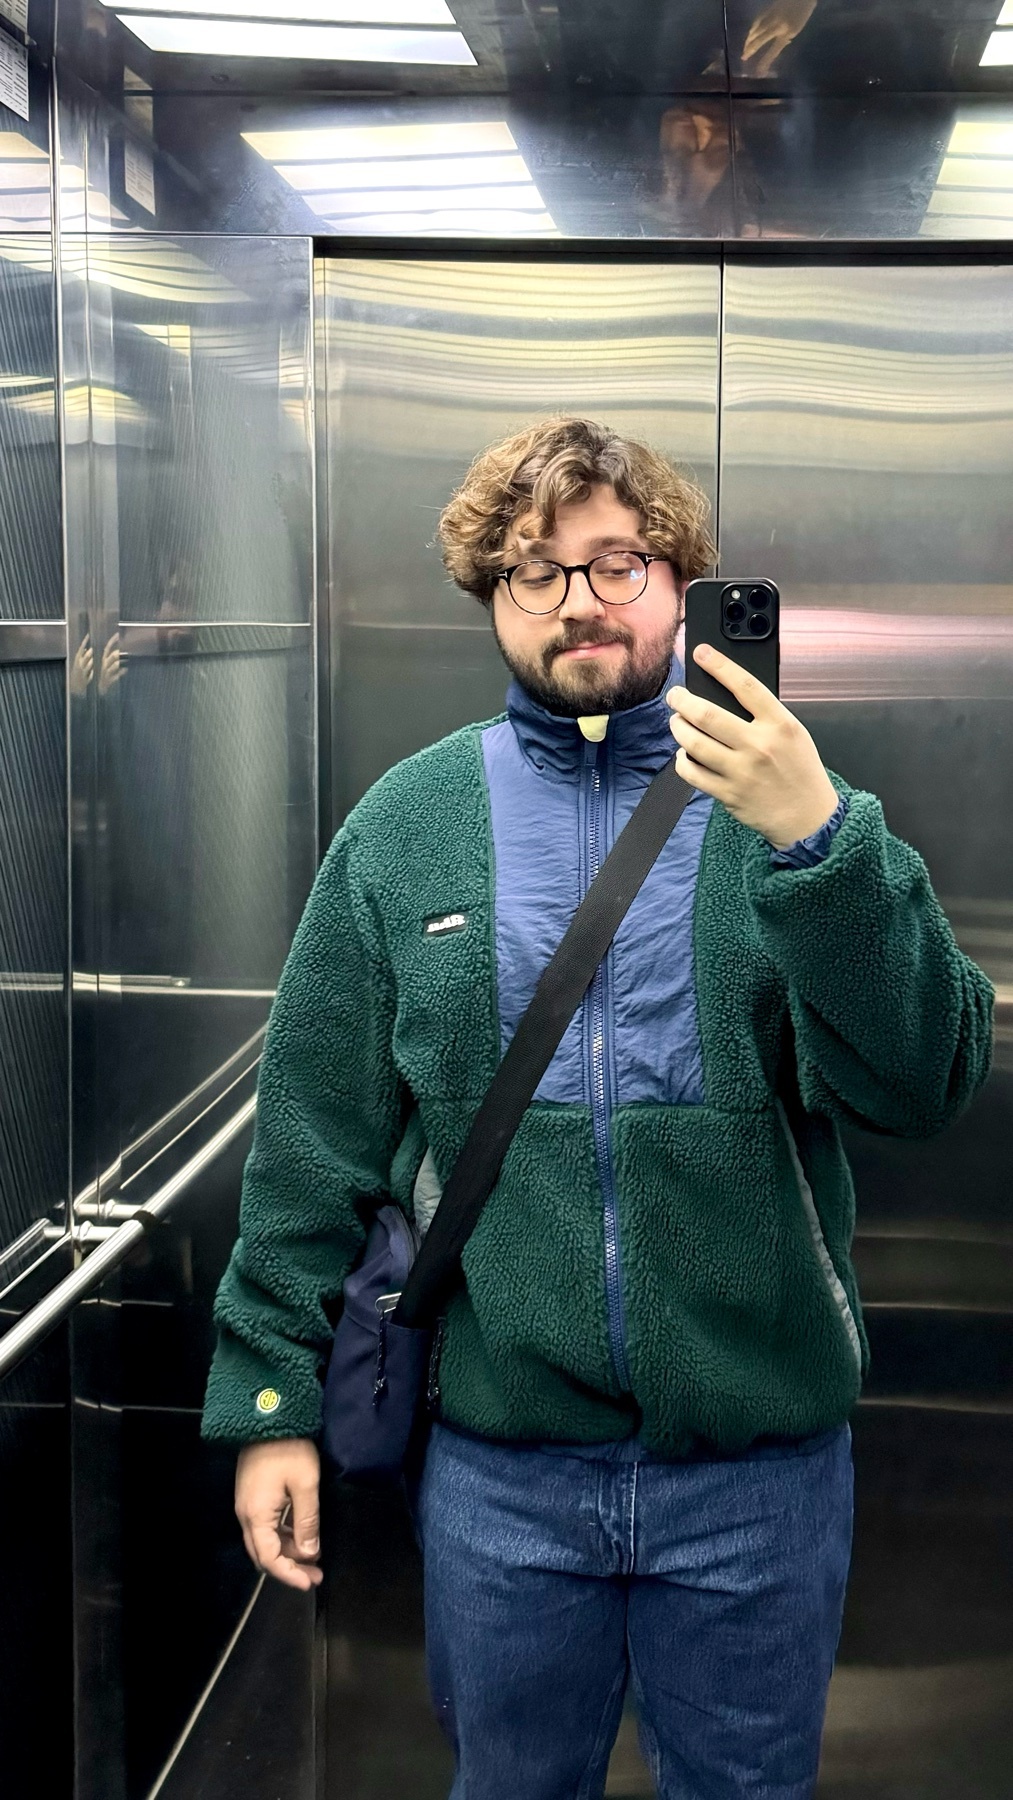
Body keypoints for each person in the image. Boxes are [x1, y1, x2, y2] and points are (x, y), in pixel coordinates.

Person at [201, 416, 993, 1799]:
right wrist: (269, 1403)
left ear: (680, 579)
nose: (578, 599)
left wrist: (815, 841)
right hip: (503, 1475)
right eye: (532, 570)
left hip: (755, 1473)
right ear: (490, 599)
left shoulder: (785, 804)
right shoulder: (405, 826)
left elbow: (926, 1083)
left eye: (616, 561)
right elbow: (312, 1138)